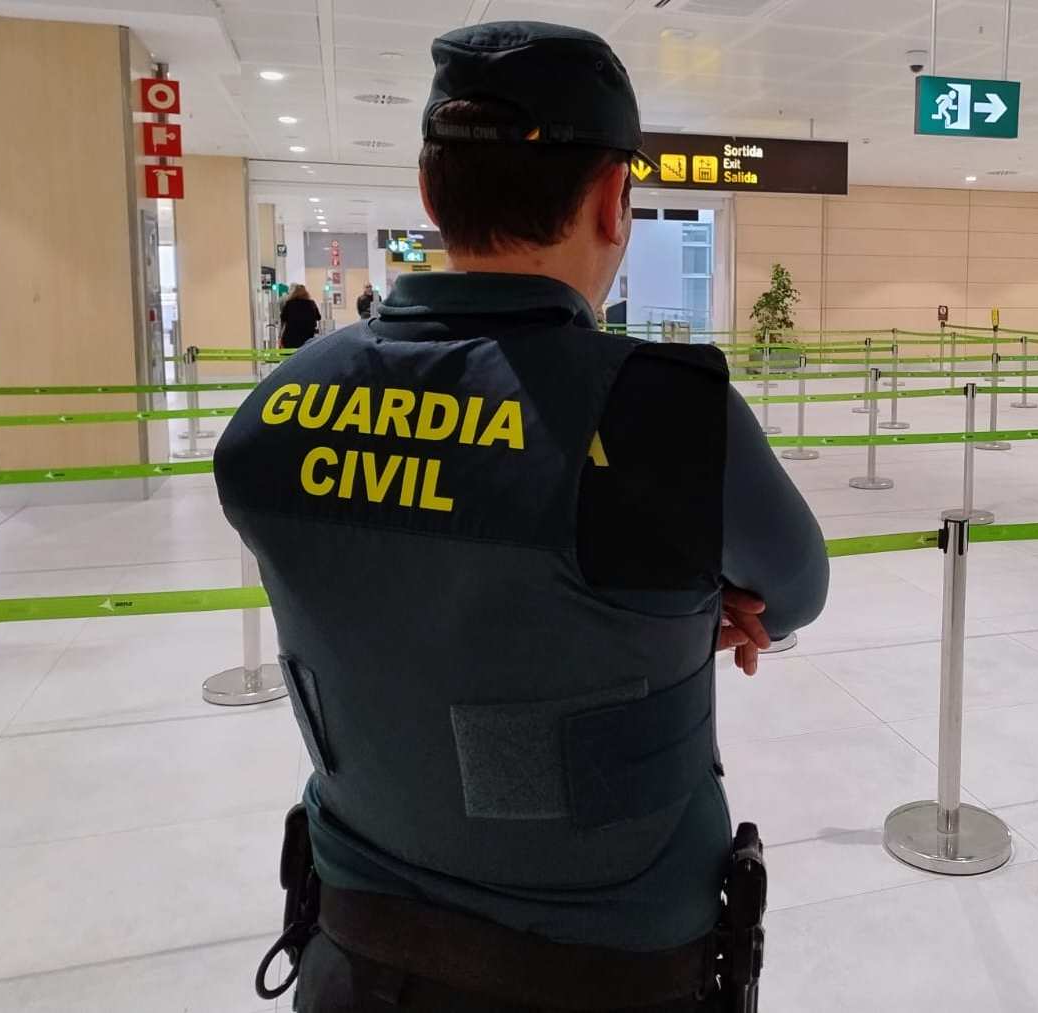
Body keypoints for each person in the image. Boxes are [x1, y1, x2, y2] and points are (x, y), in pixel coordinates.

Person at [213, 21, 827, 1013]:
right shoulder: (662, 412)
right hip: (612, 960)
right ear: (610, 201)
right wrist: (670, 590)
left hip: (359, 947)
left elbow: (416, 569)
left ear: (428, 193)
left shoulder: (272, 412)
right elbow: (793, 589)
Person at [280, 284, 322, 349]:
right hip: (307, 337)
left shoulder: (289, 304)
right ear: (306, 293)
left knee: (290, 356)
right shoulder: (311, 303)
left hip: (291, 336)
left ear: (294, 293)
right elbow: (319, 317)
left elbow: (283, 317)